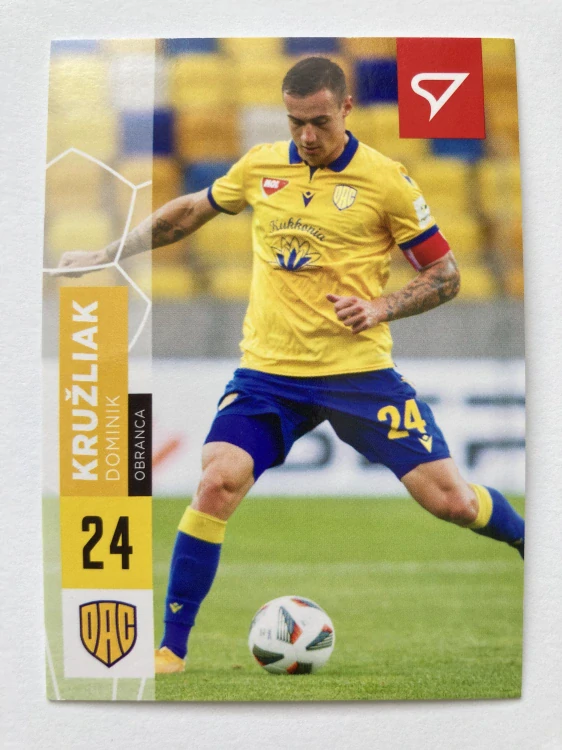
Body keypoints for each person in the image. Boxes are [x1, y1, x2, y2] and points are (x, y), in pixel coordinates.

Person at [59, 56, 525, 675]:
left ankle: (530, 540)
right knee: (217, 481)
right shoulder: (260, 165)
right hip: (269, 375)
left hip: (357, 374)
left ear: (347, 109)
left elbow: (446, 275)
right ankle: (171, 648)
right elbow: (189, 211)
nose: (306, 135)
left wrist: (381, 306)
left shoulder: (386, 181)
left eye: (319, 122)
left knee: (454, 504)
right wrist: (110, 251)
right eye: (295, 121)